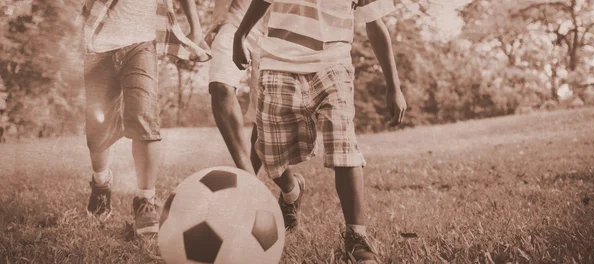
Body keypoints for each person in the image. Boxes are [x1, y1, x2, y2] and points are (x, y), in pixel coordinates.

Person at [233, 0, 407, 262]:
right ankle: (292, 190)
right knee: (269, 153)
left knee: (343, 142)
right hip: (278, 62)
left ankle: (356, 236)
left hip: (332, 64)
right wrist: (240, 35)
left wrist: (394, 86)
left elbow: (375, 23)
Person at [79, 0, 210, 236]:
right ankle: (101, 183)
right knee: (98, 128)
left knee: (144, 115)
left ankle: (146, 199)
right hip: (99, 43)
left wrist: (196, 28)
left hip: (142, 44)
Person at [206, 0, 305, 231]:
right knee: (220, 86)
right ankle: (250, 187)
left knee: (265, 121)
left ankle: (291, 190)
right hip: (235, 18)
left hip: (282, 24)